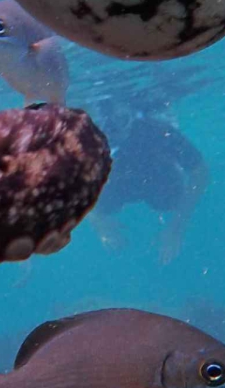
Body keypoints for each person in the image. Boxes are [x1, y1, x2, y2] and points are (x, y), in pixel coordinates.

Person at [90, 98, 210, 264]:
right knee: (103, 206)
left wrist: (177, 227)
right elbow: (70, 183)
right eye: (106, 124)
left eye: (121, 120)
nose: (114, 131)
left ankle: (171, 175)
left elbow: (200, 172)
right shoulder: (89, 141)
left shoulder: (156, 131)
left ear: (132, 117)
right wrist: (100, 223)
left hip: (156, 176)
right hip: (119, 180)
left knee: (168, 200)